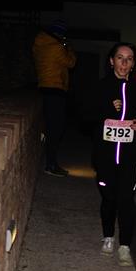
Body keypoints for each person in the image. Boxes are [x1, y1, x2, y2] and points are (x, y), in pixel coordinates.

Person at [82, 42, 136, 266]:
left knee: (126, 200)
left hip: (130, 156)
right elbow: (85, 117)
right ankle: (108, 237)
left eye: (129, 59)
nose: (124, 63)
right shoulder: (99, 87)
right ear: (111, 61)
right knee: (109, 198)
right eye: (120, 58)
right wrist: (107, 111)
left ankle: (125, 246)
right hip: (105, 156)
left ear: (133, 64)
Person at [32, 18, 77, 177]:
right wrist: (68, 48)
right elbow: (71, 63)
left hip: (44, 86)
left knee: (51, 127)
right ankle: (51, 165)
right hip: (56, 89)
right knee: (56, 129)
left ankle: (50, 162)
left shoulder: (39, 45)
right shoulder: (57, 47)